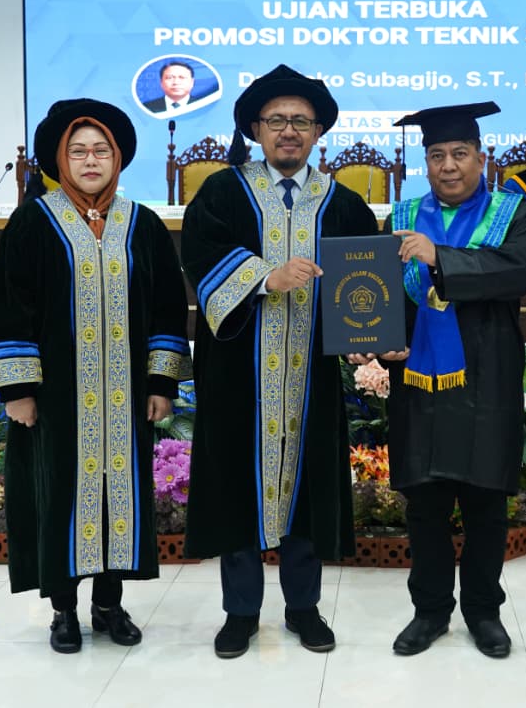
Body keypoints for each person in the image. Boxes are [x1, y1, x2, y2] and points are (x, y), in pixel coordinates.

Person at [0, 98, 191, 654]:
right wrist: (18, 390)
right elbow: (9, 305)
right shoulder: (33, 221)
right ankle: (64, 610)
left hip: (126, 398)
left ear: (117, 158)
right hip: (56, 399)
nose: (91, 160)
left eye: (101, 150)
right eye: (79, 151)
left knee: (119, 499)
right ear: (61, 160)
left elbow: (168, 308)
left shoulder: (142, 224)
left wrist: (161, 383)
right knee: (61, 498)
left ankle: (109, 605)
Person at [180, 64, 378, 659]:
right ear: (255, 129)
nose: (288, 131)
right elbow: (200, 258)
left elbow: (365, 285)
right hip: (238, 372)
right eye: (276, 120)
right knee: (237, 486)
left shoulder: (344, 204)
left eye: (300, 121)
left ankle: (304, 608)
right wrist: (267, 277)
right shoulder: (222, 192)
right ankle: (240, 612)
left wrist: (366, 337)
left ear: (318, 132)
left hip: (312, 376)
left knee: (309, 488)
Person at [358, 102, 526, 659]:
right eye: (436, 155)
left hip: (487, 378)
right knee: (425, 504)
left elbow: (515, 273)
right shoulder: (404, 214)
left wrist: (439, 255)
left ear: (481, 158)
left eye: (460, 153)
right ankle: (430, 611)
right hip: (418, 379)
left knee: (486, 503)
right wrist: (381, 338)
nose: (448, 165)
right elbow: (385, 288)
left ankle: (484, 613)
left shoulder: (513, 212)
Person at [143, 60, 211, 113]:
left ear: (192, 82)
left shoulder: (204, 106)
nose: (176, 82)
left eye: (182, 77)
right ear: (161, 82)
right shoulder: (146, 108)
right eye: (170, 78)